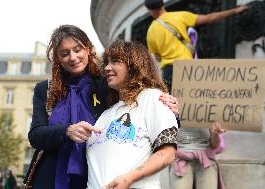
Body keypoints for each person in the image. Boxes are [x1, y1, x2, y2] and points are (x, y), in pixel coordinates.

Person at [24, 25, 179, 189]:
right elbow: (35, 135)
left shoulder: (106, 85)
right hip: (51, 175)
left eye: (78, 50)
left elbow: (140, 112)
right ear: (58, 59)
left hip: (88, 175)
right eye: (65, 53)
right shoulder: (45, 89)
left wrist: (170, 109)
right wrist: (67, 131)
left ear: (88, 49)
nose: (73, 57)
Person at [86, 40, 179, 189]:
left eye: (115, 61)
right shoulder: (105, 113)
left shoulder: (153, 98)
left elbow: (167, 153)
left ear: (135, 65)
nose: (107, 68)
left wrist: (129, 179)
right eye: (107, 63)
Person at [144, 0, 248, 90]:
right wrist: (234, 11)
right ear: (162, 5)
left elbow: (157, 57)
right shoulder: (179, 16)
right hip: (186, 68)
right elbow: (210, 17)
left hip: (168, 73)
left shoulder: (151, 31)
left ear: (151, 10)